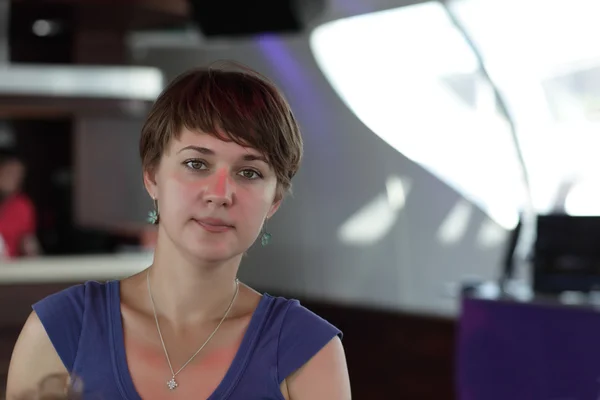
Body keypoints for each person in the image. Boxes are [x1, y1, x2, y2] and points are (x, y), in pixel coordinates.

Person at [6, 63, 351, 400]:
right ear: (152, 177)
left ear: (274, 200)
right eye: (196, 164)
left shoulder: (307, 350)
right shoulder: (61, 331)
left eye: (249, 173)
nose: (220, 193)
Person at [0, 150, 40, 260]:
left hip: (9, 271)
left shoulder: (23, 205)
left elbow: (28, 242)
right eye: (9, 173)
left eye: (18, 176)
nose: (13, 180)